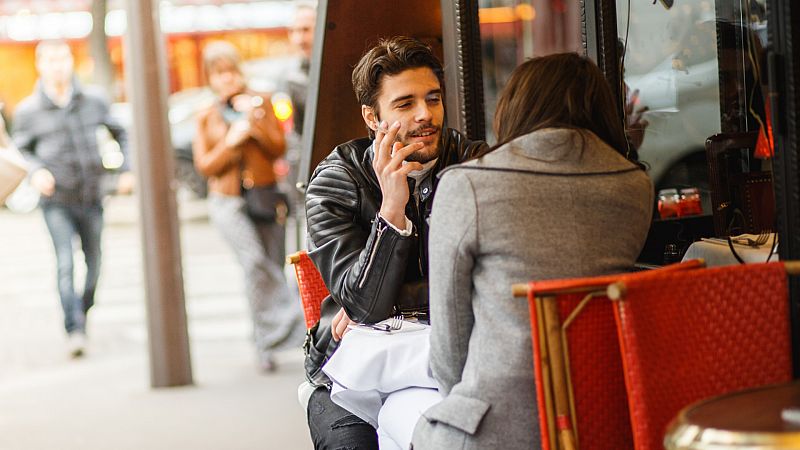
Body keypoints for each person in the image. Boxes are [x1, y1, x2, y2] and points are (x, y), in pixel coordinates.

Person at [412, 53, 653, 449]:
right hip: (602, 420)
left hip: (496, 429)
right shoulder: (635, 186)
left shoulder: (468, 185)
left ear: (516, 107)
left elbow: (449, 351)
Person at [303, 36, 486, 450]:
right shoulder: (336, 181)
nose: (426, 115)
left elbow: (497, 277)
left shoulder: (474, 163)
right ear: (372, 116)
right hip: (352, 372)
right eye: (405, 104)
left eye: (433, 99)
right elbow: (367, 305)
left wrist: (398, 298)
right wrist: (391, 209)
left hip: (455, 356)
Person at [12, 40, 133, 358]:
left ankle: (81, 312)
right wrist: (36, 171)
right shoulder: (28, 110)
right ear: (40, 65)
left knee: (95, 267)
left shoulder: (92, 99)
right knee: (65, 264)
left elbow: (121, 132)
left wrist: (125, 170)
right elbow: (21, 150)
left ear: (71, 62)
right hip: (56, 201)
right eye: (50, 60)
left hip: (92, 196)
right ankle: (74, 329)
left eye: (62, 59)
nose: (58, 66)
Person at [193, 41, 302, 373]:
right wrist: (230, 142)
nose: (227, 79)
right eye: (218, 74)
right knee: (254, 261)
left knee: (265, 268)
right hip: (228, 202)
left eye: (230, 72)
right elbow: (206, 166)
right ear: (210, 79)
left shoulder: (262, 102)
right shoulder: (206, 115)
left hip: (265, 196)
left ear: (240, 72)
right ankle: (297, 319)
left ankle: (264, 343)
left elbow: (278, 147)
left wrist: (252, 124)